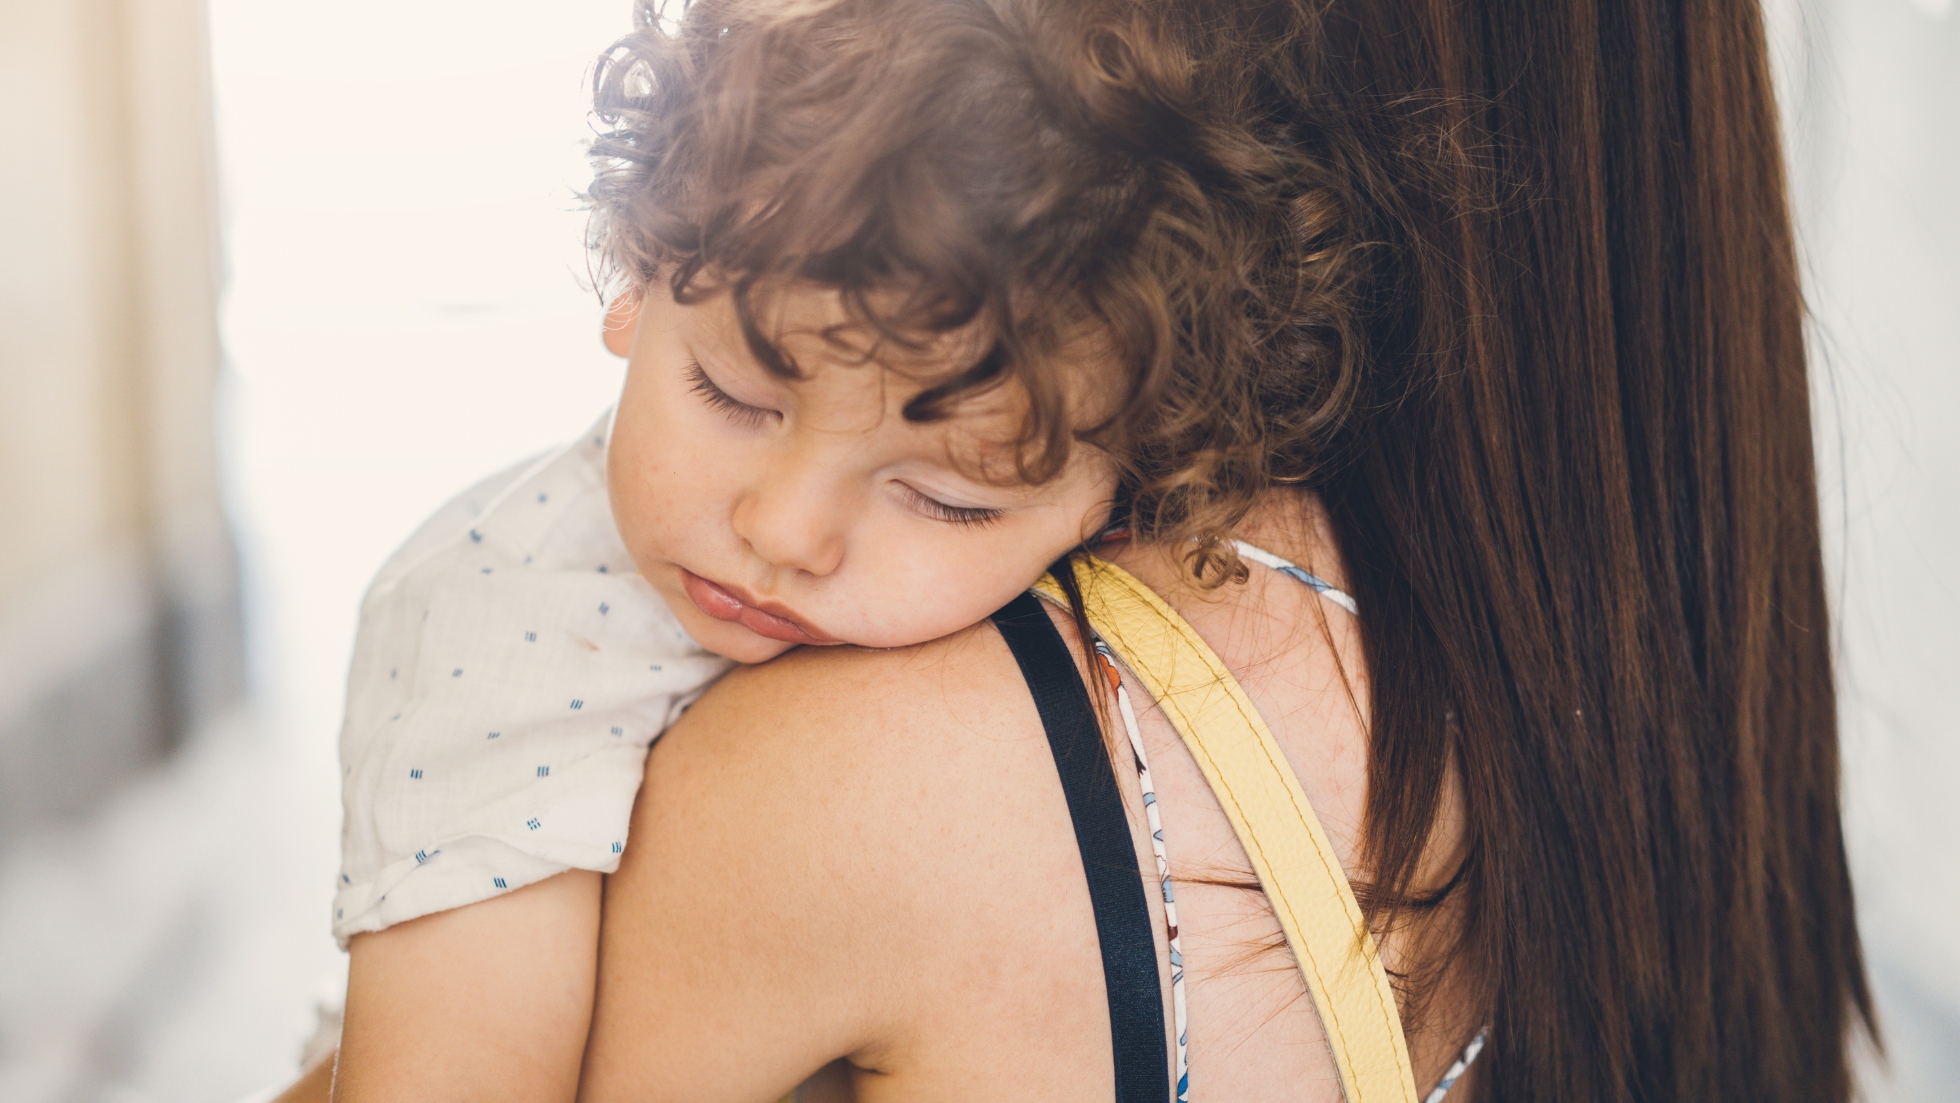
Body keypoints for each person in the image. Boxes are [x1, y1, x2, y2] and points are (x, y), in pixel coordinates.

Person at [285, 0, 1874, 1099]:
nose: (784, 531)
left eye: (956, 493)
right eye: (736, 390)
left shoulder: (851, 794)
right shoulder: (1648, 692)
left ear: (1159, 446)